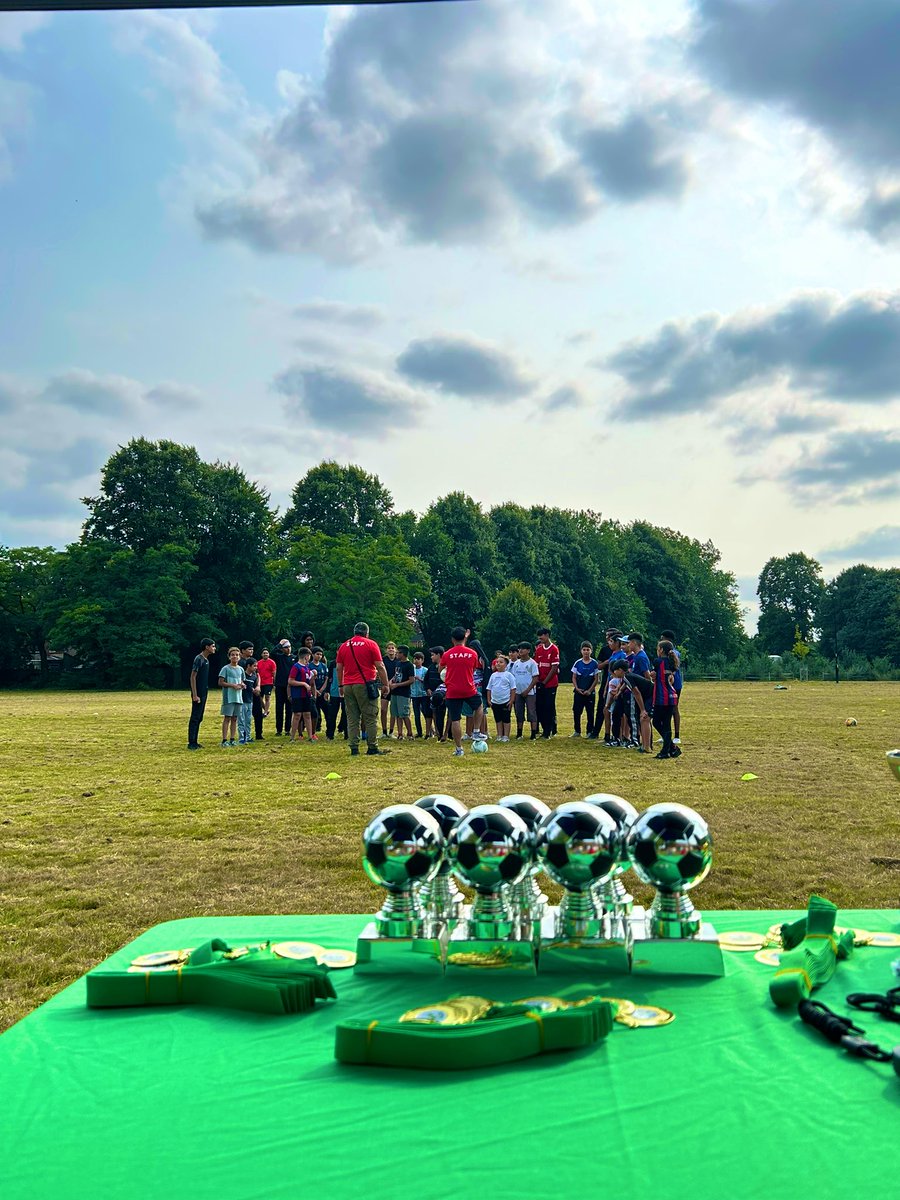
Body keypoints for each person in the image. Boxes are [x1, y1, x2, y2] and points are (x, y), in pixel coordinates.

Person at [336, 622, 391, 757]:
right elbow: (380, 666)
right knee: (370, 716)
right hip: (365, 684)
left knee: (352, 718)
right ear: (367, 633)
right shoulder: (371, 644)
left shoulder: (344, 645)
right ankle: (372, 746)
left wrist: (340, 685)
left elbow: (339, 668)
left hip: (348, 685)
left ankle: (354, 747)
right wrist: (385, 684)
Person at [440, 627, 483, 756]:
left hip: (453, 690)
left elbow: (440, 671)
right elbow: (473, 669)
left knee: (455, 719)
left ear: (452, 639)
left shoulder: (447, 654)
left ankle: (459, 749)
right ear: (465, 637)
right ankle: (476, 731)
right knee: (479, 706)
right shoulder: (473, 653)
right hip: (468, 688)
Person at [609, 660, 654, 753]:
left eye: (615, 670)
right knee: (642, 720)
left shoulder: (628, 677)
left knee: (644, 718)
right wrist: (619, 692)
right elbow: (625, 685)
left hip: (650, 695)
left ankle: (646, 745)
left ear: (620, 670)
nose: (614, 673)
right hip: (648, 696)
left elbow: (637, 693)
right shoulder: (627, 676)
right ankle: (645, 745)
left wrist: (642, 709)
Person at [651, 640, 681, 759]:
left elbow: (654, 675)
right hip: (671, 695)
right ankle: (671, 748)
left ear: (661, 650)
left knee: (657, 722)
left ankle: (666, 750)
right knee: (666, 723)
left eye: (658, 648)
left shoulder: (658, 661)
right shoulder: (671, 662)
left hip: (661, 696)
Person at [187, 637, 216, 749]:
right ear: (207, 647)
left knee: (199, 717)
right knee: (195, 717)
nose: (214, 648)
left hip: (204, 692)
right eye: (212, 646)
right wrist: (195, 694)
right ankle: (191, 742)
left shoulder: (206, 660)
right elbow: (193, 677)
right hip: (198, 693)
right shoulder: (199, 659)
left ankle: (195, 741)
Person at [533, 627, 560, 738]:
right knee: (539, 707)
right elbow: (536, 666)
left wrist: (544, 682)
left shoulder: (554, 649)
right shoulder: (539, 650)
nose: (540, 638)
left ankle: (548, 731)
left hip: (550, 684)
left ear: (547, 635)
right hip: (540, 683)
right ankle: (545, 728)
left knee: (549, 707)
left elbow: (554, 668)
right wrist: (538, 681)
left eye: (542, 635)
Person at [509, 643, 539, 739]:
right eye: (519, 649)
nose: (520, 651)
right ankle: (519, 733)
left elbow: (535, 678)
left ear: (528, 650)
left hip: (529, 692)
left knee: (531, 712)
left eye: (523, 649)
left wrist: (527, 690)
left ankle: (533, 733)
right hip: (518, 692)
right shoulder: (516, 663)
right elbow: (513, 677)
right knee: (519, 712)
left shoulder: (532, 663)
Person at [288, 648, 318, 742]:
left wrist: (313, 676)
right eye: (309, 656)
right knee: (297, 715)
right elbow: (290, 681)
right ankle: (292, 737)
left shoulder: (307, 667)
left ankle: (310, 737)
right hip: (297, 695)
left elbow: (309, 681)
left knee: (307, 714)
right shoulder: (296, 667)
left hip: (307, 695)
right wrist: (303, 684)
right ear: (306, 656)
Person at [661, 628, 684, 745]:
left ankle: (677, 735)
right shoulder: (664, 653)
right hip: (666, 684)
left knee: (674, 708)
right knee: (666, 709)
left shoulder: (674, 653)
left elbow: (673, 669)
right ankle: (666, 734)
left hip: (675, 684)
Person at [571, 642, 599, 737]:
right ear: (581, 651)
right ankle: (577, 731)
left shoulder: (594, 663)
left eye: (588, 650)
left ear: (591, 651)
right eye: (584, 650)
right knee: (576, 712)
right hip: (579, 692)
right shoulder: (577, 663)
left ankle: (589, 731)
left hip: (590, 693)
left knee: (590, 712)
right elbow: (574, 677)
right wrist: (577, 688)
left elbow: (596, 679)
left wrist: (590, 690)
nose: (586, 652)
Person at [218, 647, 244, 747]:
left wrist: (242, 685)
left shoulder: (241, 669)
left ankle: (232, 739)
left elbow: (241, 681)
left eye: (237, 655)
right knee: (227, 718)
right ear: (229, 657)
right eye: (233, 655)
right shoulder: (225, 669)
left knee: (235, 718)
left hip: (238, 697)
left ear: (239, 657)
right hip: (229, 697)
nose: (235, 657)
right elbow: (220, 682)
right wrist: (232, 685)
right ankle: (224, 740)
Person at [486, 654, 517, 742]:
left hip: (505, 701)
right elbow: (489, 688)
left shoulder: (509, 675)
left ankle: (506, 736)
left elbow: (513, 689)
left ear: (506, 664)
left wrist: (511, 700)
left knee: (506, 719)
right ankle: (499, 735)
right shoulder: (493, 675)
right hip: (495, 701)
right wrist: (489, 700)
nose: (498, 664)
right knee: (498, 719)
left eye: (501, 662)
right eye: (497, 662)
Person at [388, 644, 415, 740]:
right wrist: (391, 681)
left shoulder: (409, 665)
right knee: (397, 714)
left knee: (404, 714)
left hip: (403, 693)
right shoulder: (398, 663)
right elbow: (396, 675)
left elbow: (411, 680)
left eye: (398, 653)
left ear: (402, 654)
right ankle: (400, 734)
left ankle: (410, 733)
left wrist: (397, 685)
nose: (396, 654)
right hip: (395, 693)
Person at [272, 639, 295, 736]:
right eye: (285, 647)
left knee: (289, 709)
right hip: (280, 686)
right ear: (282, 649)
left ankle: (287, 729)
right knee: (279, 708)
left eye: (289, 647)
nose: (288, 649)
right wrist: (280, 644)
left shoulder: (294, 658)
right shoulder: (279, 657)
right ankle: (279, 729)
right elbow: (272, 653)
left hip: (290, 686)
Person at [424, 647, 447, 741]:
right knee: (435, 714)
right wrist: (427, 688)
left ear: (438, 655)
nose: (431, 657)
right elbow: (426, 680)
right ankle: (438, 734)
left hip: (443, 695)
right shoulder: (431, 667)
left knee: (443, 714)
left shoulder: (446, 667)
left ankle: (447, 733)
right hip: (432, 695)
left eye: (433, 655)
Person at [323, 657, 347, 741]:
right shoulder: (333, 663)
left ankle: (347, 733)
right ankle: (330, 734)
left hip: (346, 692)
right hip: (334, 692)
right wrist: (327, 691)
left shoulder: (349, 661)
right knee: (332, 714)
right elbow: (329, 677)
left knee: (346, 714)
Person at [239, 658, 261, 744]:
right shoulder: (242, 675)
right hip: (242, 700)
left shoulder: (254, 676)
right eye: (254, 666)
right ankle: (241, 738)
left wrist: (256, 689)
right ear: (248, 666)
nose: (256, 668)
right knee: (241, 720)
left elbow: (255, 687)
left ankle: (247, 737)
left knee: (248, 720)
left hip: (250, 701)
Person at [380, 641, 397, 737]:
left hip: (394, 687)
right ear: (386, 650)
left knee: (393, 710)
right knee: (383, 709)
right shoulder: (383, 660)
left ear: (395, 650)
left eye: (392, 648)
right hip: (385, 687)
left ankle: (391, 731)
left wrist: (391, 682)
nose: (391, 649)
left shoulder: (398, 661)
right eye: (389, 648)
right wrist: (385, 684)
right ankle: (384, 731)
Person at [410, 651, 428, 737]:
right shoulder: (412, 669)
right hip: (414, 695)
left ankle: (429, 730)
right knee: (416, 714)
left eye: (418, 659)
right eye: (415, 659)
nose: (416, 661)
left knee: (425, 712)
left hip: (423, 694)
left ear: (422, 660)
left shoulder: (425, 670)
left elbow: (427, 681)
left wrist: (419, 679)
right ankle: (419, 732)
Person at [311, 646, 328, 732]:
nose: (319, 656)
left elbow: (326, 679)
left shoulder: (323, 666)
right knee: (315, 711)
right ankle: (317, 727)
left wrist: (321, 690)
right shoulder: (309, 666)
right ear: (313, 655)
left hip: (322, 692)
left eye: (321, 654)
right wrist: (315, 691)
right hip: (313, 692)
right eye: (317, 654)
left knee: (327, 710)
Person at [256, 648, 276, 718]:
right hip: (260, 683)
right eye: (264, 653)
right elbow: (257, 673)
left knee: (267, 697)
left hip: (268, 682)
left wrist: (274, 683)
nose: (265, 654)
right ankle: (266, 709)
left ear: (269, 654)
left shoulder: (272, 662)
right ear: (261, 654)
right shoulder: (258, 663)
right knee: (259, 698)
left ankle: (265, 713)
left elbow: (274, 673)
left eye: (266, 653)